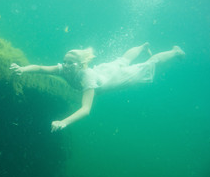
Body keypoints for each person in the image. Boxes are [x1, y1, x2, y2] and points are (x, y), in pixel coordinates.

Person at [10, 42, 185, 133]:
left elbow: (86, 109)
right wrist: (22, 69)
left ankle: (175, 51)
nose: (65, 65)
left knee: (148, 64)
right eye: (64, 61)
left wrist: (64, 122)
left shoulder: (86, 76)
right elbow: (41, 68)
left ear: (80, 64)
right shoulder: (64, 69)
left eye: (70, 63)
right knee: (122, 61)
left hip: (114, 78)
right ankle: (142, 46)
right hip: (103, 71)